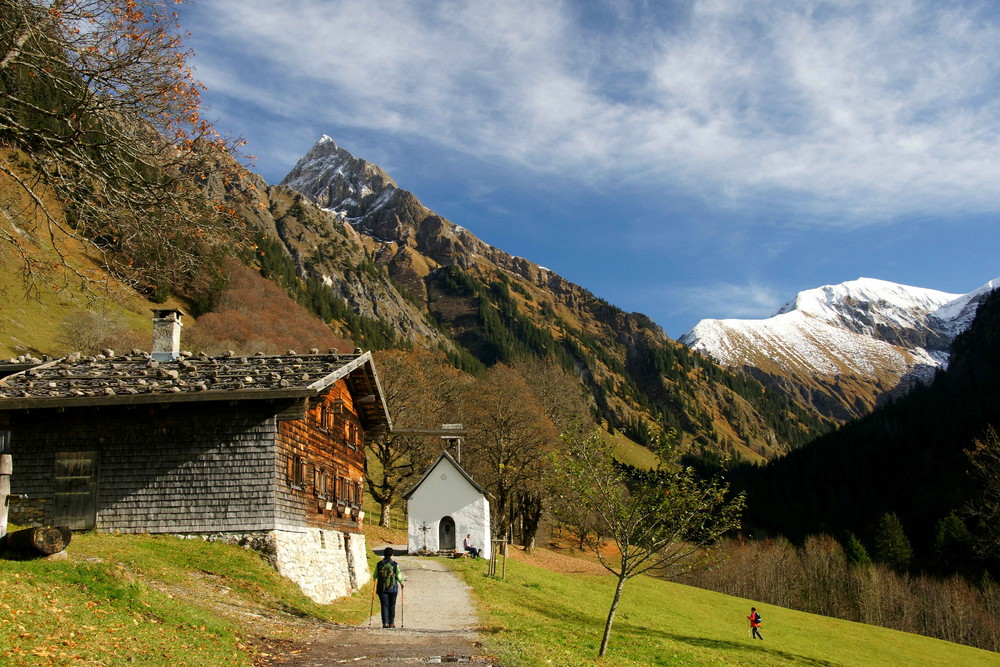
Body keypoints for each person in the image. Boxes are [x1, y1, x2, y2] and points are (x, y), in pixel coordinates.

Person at [374, 547, 403, 628]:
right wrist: (401, 582)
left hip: (381, 588)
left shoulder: (379, 564)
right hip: (393, 588)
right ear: (392, 554)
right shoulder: (395, 564)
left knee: (384, 605)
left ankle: (385, 623)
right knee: (392, 605)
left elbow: (374, 576)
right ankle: (391, 623)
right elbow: (398, 575)